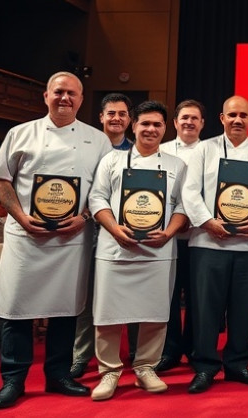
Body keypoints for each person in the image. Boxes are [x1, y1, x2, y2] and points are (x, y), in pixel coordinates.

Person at [0, 72, 113, 409]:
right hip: (26, 237)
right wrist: (20, 217)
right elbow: (1, 180)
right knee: (16, 311)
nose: (64, 98)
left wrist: (84, 216)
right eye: (58, 92)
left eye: (72, 93)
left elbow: (103, 190)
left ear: (81, 99)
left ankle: (58, 375)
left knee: (65, 312)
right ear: (46, 96)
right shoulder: (21, 133)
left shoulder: (97, 139)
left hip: (72, 240)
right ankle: (13, 380)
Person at [87, 100, 189, 400]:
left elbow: (184, 207)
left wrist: (169, 233)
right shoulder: (111, 161)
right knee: (107, 314)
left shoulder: (177, 165)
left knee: (155, 313)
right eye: (145, 123)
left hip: (158, 251)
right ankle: (109, 373)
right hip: (115, 248)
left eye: (157, 124)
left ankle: (146, 368)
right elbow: (97, 199)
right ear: (134, 125)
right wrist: (114, 229)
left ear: (164, 128)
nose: (151, 129)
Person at [181, 96, 248, 394]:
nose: (237, 120)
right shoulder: (203, 150)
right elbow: (190, 192)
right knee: (205, 309)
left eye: (243, 115)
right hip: (208, 242)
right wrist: (207, 222)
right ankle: (205, 366)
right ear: (221, 118)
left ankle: (237, 364)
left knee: (245, 310)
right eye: (232, 114)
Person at [71, 92, 136, 377]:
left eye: (122, 114)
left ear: (130, 119)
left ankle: (136, 354)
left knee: (132, 294)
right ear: (101, 117)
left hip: (126, 234)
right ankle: (81, 356)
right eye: (111, 113)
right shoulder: (84, 149)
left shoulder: (138, 153)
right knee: (86, 298)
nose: (117, 118)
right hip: (85, 233)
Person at [155, 99, 206, 372]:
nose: (189, 122)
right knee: (169, 297)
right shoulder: (160, 151)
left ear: (202, 124)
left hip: (200, 236)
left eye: (194, 118)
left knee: (199, 297)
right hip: (167, 236)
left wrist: (192, 217)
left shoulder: (210, 152)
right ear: (174, 123)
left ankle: (196, 349)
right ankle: (170, 349)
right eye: (184, 118)